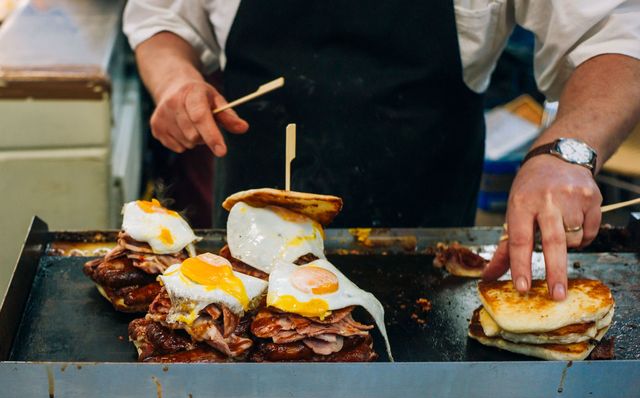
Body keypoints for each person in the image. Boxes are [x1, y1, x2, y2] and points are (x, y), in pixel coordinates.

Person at [123, 1, 640, 301]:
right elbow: (162, 16)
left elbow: (613, 30)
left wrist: (566, 152)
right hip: (247, 248)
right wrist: (175, 81)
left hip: (425, 247)